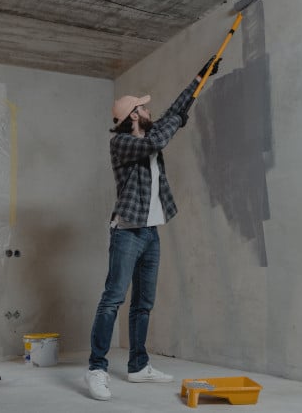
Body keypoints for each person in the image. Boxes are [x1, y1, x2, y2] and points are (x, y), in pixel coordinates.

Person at [85, 56, 221, 401]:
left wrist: (198, 76)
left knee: (143, 303)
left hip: (150, 233)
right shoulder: (122, 143)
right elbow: (155, 142)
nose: (149, 111)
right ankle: (96, 369)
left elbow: (174, 112)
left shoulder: (149, 129)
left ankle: (138, 366)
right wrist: (176, 119)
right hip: (127, 232)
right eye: (143, 109)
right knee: (113, 299)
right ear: (133, 115)